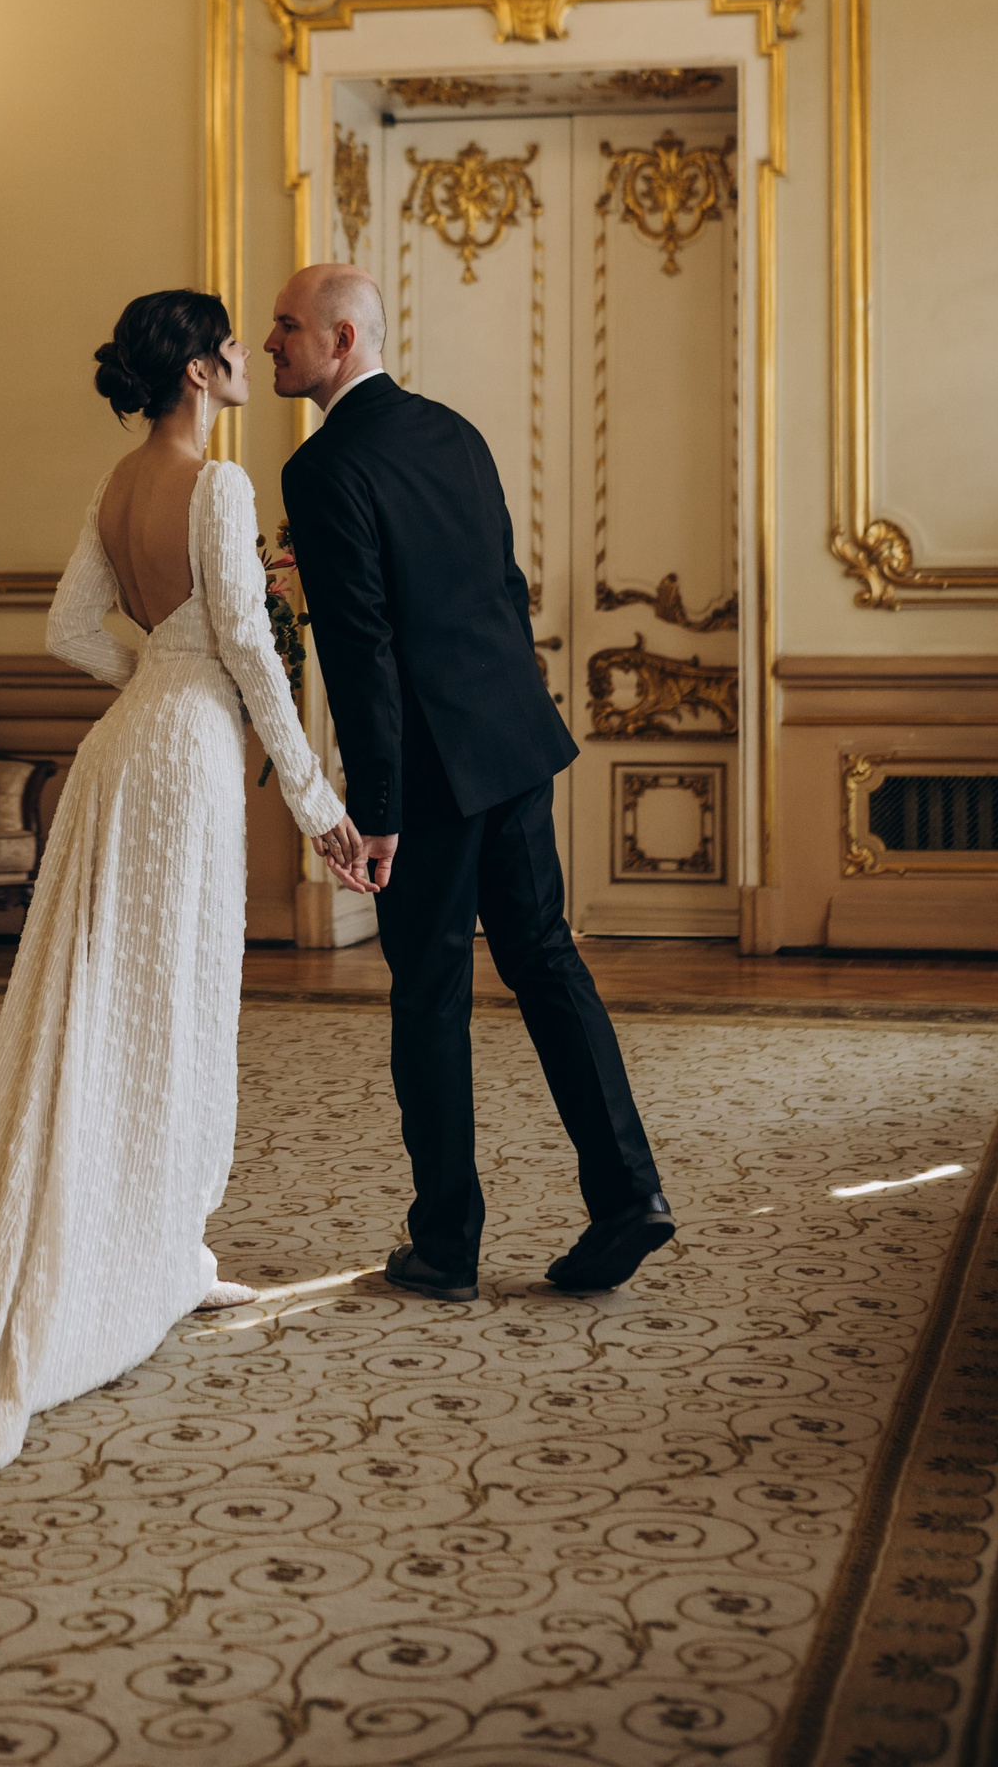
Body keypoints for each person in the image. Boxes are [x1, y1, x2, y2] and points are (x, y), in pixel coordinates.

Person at [0, 288, 359, 1479]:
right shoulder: (219, 485)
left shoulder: (117, 484)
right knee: (176, 1003)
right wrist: (318, 805)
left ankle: (164, 1257)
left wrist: (157, 667)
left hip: (122, 748)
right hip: (186, 755)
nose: (244, 357)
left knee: (113, 1000)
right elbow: (252, 655)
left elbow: (67, 631)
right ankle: (147, 1257)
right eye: (229, 345)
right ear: (199, 372)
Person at [268, 262, 674, 1302]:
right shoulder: (454, 432)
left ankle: (446, 1245)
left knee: (431, 995)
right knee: (547, 963)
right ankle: (630, 1194)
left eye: (287, 326)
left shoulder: (322, 469)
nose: (271, 343)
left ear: (341, 341)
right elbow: (503, 586)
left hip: (430, 773)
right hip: (513, 744)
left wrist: (380, 809)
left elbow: (361, 647)